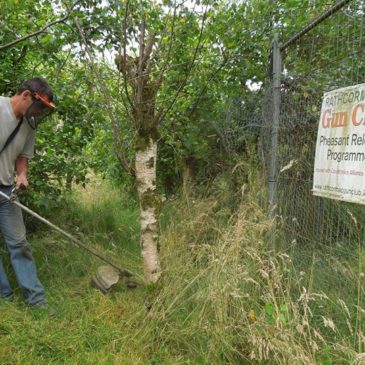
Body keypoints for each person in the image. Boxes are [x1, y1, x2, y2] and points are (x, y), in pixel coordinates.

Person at [0, 77, 55, 308]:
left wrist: (21, 175)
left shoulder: (29, 123)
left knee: (19, 242)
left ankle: (36, 300)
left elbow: (23, 156)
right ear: (25, 96)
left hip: (6, 191)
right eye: (39, 106)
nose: (39, 113)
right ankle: (5, 297)